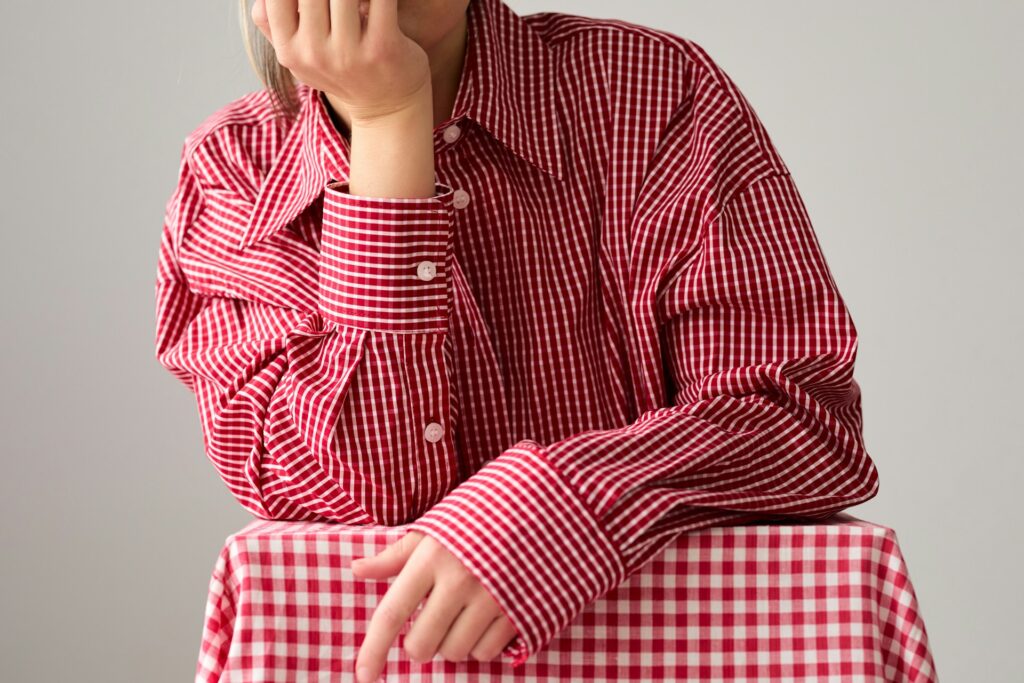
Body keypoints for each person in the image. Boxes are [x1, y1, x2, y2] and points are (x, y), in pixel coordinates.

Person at [154, 0, 880, 680]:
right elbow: (365, 494)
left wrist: (562, 500)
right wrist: (386, 123)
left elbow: (800, 420)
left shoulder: (655, 92)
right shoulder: (231, 172)